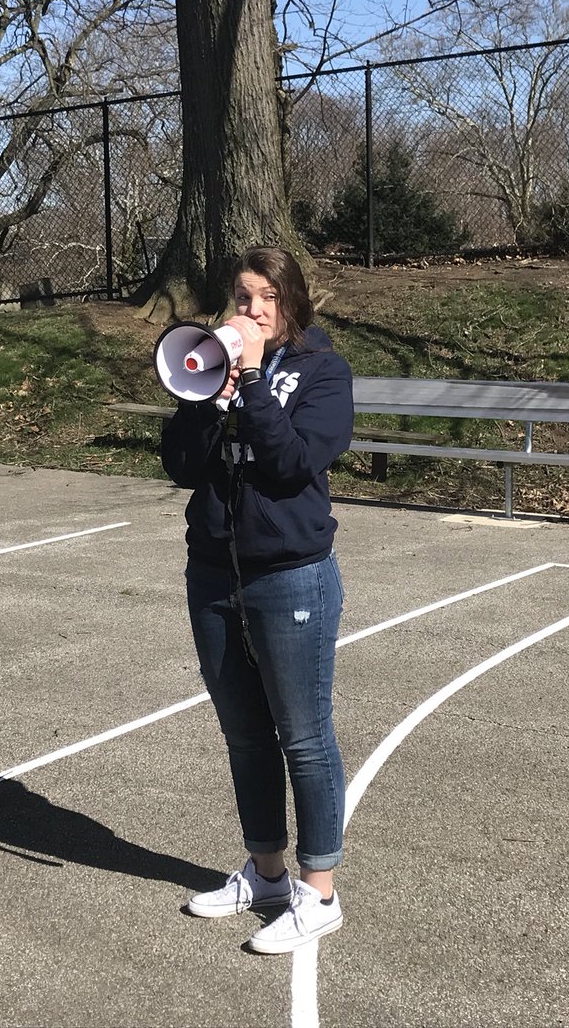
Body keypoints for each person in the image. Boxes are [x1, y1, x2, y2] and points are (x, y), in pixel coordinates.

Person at [160, 245, 354, 954]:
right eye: (244, 297)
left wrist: (253, 386)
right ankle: (266, 873)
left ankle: (319, 891)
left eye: (268, 297)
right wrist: (203, 402)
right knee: (244, 732)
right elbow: (181, 466)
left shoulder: (324, 372)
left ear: (292, 303)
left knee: (304, 736)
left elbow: (292, 465)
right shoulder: (210, 365)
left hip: (291, 574)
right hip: (214, 573)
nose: (254, 310)